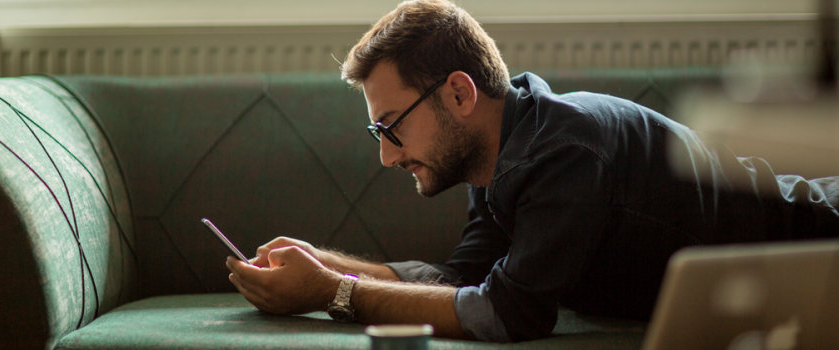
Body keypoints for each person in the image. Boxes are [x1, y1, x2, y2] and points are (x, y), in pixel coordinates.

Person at [226, 0, 839, 343]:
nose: (386, 155)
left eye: (391, 128)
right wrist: (325, 266)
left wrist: (334, 293)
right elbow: (457, 282)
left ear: (459, 94)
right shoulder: (502, 160)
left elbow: (507, 313)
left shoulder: (565, 149)